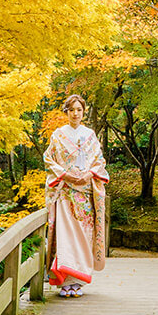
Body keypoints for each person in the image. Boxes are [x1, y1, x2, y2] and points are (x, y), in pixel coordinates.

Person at [43, 94, 109, 298]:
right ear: (66, 112)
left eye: (79, 109)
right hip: (65, 192)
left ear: (84, 112)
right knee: (66, 236)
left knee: (83, 236)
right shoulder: (58, 135)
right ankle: (65, 282)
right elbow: (49, 159)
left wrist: (89, 174)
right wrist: (66, 175)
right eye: (72, 109)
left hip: (85, 192)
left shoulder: (90, 135)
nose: (75, 113)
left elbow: (99, 160)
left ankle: (78, 281)